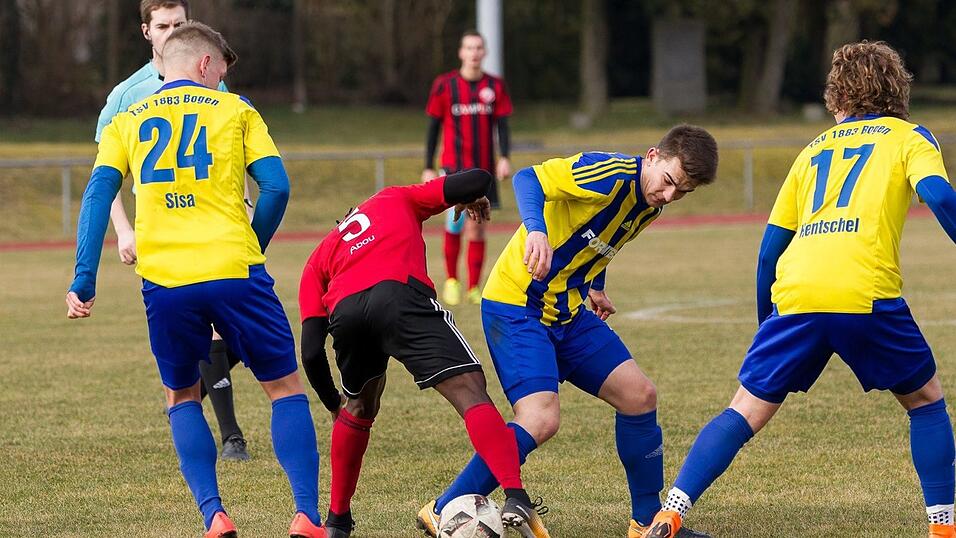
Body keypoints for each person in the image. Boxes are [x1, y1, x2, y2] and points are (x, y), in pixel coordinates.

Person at [646, 41, 956, 538]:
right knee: (925, 401)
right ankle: (943, 529)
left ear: (837, 98)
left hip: (796, 293)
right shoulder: (910, 137)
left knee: (743, 409)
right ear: (897, 90)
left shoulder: (811, 151)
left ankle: (669, 512)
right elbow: (938, 194)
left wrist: (767, 319)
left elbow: (769, 250)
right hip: (863, 291)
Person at [66, 23, 326, 538]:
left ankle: (215, 516)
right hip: (234, 269)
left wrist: (84, 277)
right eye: (221, 72)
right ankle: (305, 518)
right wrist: (254, 243)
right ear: (206, 65)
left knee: (181, 397)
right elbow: (275, 187)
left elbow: (98, 196)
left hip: (166, 281)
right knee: (284, 389)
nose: (222, 80)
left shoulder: (126, 120)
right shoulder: (237, 109)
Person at [418, 126, 719, 538]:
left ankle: (647, 523)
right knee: (540, 418)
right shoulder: (608, 173)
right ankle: (442, 509)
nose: (669, 196)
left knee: (639, 396)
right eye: (669, 182)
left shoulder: (650, 203)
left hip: (567, 309)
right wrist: (536, 229)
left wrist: (596, 285)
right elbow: (529, 178)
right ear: (652, 156)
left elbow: (601, 239)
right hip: (517, 303)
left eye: (682, 192)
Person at [298, 169, 548, 538]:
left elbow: (310, 353)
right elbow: (478, 178)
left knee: (359, 408)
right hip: (400, 297)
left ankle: (337, 521)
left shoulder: (319, 256)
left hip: (347, 313)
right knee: (469, 389)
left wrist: (333, 402)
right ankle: (515, 495)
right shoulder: (394, 198)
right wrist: (466, 197)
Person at [95, 0, 248, 461]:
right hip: (161, 234)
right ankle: (228, 434)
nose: (172, 32)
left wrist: (240, 203)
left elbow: (234, 148)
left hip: (217, 230)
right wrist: (124, 232)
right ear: (147, 31)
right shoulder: (127, 95)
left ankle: (196, 414)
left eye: (180, 23)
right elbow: (106, 177)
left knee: (231, 332)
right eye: (163, 25)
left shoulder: (213, 80)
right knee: (201, 333)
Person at [422, 30, 512, 306]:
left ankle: (474, 287)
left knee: (478, 227)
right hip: (453, 168)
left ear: (484, 53)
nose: (474, 53)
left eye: (478, 48)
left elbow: (503, 125)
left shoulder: (494, 86)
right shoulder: (445, 85)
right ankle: (452, 281)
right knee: (454, 222)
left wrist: (505, 156)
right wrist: (427, 166)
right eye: (469, 48)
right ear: (461, 53)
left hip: (483, 169)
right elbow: (433, 127)